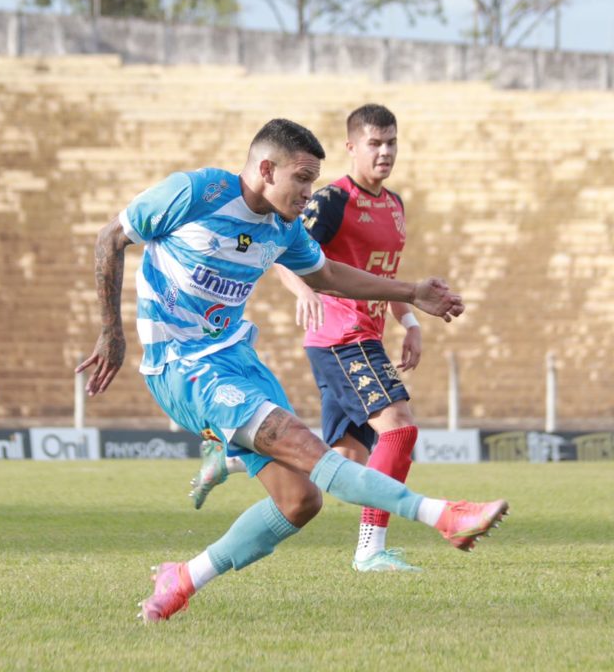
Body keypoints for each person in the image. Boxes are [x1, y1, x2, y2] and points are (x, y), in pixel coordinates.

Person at [77, 118, 508, 623]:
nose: (309, 192)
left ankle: (184, 578)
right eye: (302, 179)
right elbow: (110, 238)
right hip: (183, 368)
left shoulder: (281, 228)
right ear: (265, 169)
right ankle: (444, 516)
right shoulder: (195, 193)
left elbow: (325, 274)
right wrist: (113, 331)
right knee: (310, 448)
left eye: (313, 180)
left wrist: (411, 293)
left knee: (300, 501)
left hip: (237, 359)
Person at [191, 104, 429, 574]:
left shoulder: (395, 205)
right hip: (341, 336)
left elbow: (384, 274)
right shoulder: (330, 200)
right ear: (352, 147)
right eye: (374, 144)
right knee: (399, 427)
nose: (385, 153)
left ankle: (230, 459)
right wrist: (303, 289)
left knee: (343, 457)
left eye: (392, 142)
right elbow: (282, 249)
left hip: (368, 335)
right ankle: (370, 549)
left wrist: (411, 320)